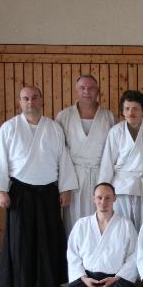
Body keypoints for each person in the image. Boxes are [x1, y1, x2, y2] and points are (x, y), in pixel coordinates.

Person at [0, 86, 78, 287]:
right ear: (20, 102)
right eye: (26, 98)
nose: (30, 102)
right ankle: (18, 285)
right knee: (20, 238)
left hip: (48, 189)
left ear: (41, 101)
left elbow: (63, 158)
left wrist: (65, 188)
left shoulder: (54, 128)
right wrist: (1, 190)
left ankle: (52, 283)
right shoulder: (9, 128)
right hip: (20, 190)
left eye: (34, 98)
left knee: (51, 237)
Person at [48, 183, 140, 287]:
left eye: (108, 198)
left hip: (114, 280)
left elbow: (134, 255)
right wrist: (83, 278)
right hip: (87, 279)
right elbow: (73, 255)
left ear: (115, 198)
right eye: (99, 198)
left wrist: (116, 278)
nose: (103, 202)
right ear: (93, 199)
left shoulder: (125, 224)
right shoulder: (82, 224)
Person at [98, 90, 143, 231]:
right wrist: (102, 193)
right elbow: (107, 164)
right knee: (120, 229)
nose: (131, 112)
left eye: (135, 108)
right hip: (120, 190)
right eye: (127, 109)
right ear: (122, 112)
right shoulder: (115, 132)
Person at [55, 75, 116, 234]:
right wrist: (63, 186)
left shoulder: (108, 116)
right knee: (74, 221)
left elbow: (115, 152)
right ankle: (75, 250)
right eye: (82, 88)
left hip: (100, 174)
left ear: (98, 91)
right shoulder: (64, 116)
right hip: (73, 176)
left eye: (91, 88)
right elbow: (59, 153)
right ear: (76, 90)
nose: (86, 91)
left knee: (101, 219)